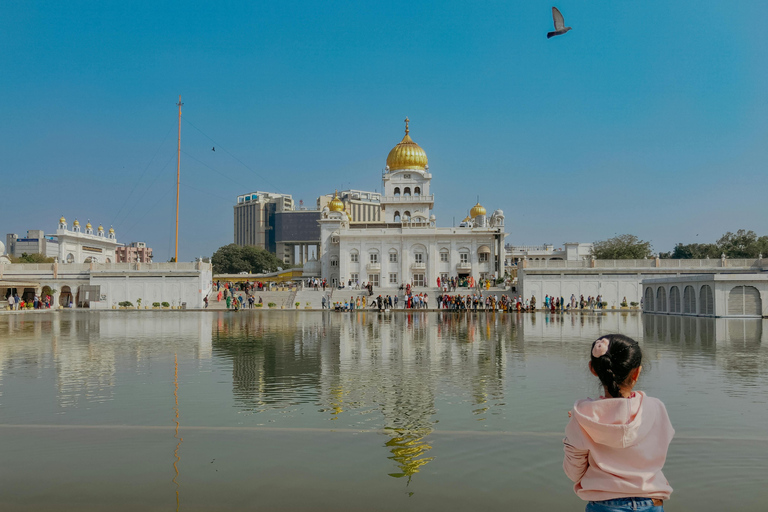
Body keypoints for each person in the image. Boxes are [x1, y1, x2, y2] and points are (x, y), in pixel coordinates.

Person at [563, 334, 674, 511]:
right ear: (637, 372)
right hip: (651, 502)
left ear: (593, 369)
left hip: (604, 504)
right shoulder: (656, 408)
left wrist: (579, 426)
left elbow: (574, 472)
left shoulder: (583, 415)